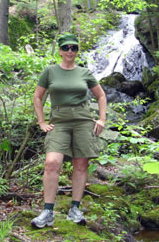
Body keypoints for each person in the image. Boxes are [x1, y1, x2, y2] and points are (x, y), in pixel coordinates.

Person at [31, 33, 107, 228]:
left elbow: (101, 96)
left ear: (77, 51)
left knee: (81, 165)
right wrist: (41, 121)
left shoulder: (84, 72)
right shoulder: (50, 71)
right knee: (51, 163)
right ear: (60, 50)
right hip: (59, 122)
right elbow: (38, 97)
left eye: (73, 48)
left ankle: (75, 207)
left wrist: (102, 119)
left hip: (82, 121)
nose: (70, 51)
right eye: (66, 48)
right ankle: (48, 211)